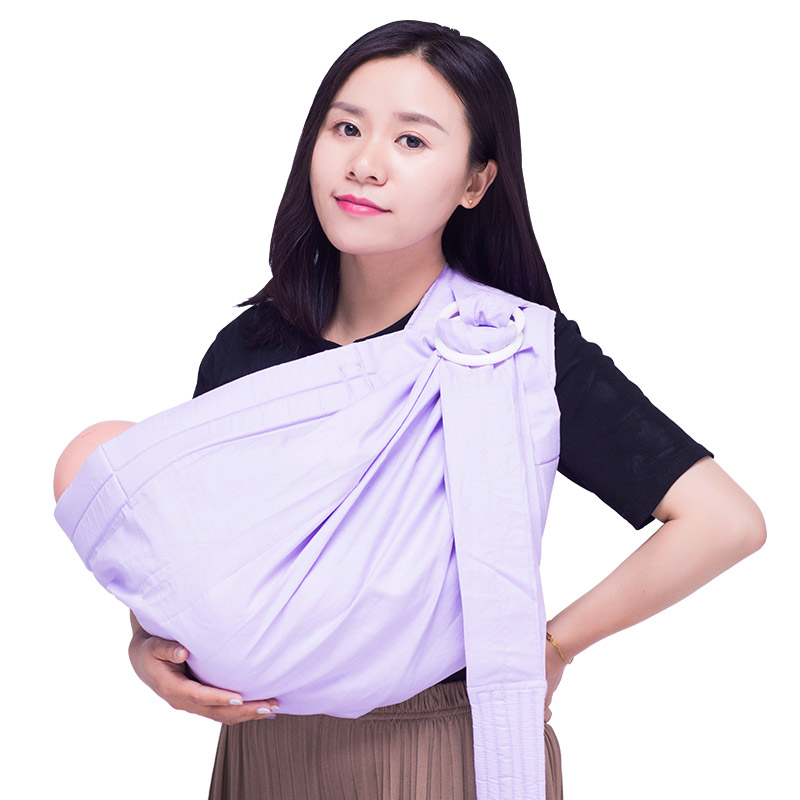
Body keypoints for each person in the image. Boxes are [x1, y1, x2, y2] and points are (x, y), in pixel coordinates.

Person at [112, 19, 765, 800]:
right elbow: (193, 556)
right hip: (264, 747)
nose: (365, 163)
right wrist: (147, 646)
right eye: (346, 128)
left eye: (412, 141)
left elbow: (724, 521)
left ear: (475, 182)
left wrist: (554, 646)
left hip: (446, 747)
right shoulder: (247, 349)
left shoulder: (510, 351)